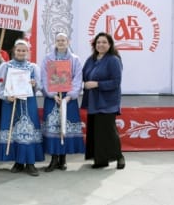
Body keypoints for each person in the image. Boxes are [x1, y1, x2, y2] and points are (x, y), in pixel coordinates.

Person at [0, 39, 44, 177]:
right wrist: (6, 97)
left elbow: (39, 87)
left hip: (28, 103)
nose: (21, 52)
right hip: (11, 103)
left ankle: (30, 163)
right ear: (13, 51)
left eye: (24, 50)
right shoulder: (6, 67)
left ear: (28, 52)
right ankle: (18, 162)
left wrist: (34, 84)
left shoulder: (33, 67)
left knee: (28, 130)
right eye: (18, 50)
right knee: (14, 131)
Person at [40, 32, 85, 172]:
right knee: (53, 127)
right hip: (53, 98)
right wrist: (52, 94)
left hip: (68, 98)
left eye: (63, 40)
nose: (60, 42)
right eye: (58, 40)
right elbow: (44, 77)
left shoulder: (75, 59)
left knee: (64, 127)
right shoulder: (48, 59)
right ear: (55, 42)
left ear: (68, 41)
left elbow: (78, 79)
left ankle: (63, 159)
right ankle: (54, 159)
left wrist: (70, 96)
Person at [82, 32, 125, 170]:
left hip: (107, 102)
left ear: (110, 44)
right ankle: (101, 160)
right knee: (96, 132)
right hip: (93, 101)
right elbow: (83, 75)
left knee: (108, 131)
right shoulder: (91, 59)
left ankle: (119, 156)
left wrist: (97, 84)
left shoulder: (113, 60)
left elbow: (116, 82)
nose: (100, 45)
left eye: (104, 42)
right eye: (98, 42)